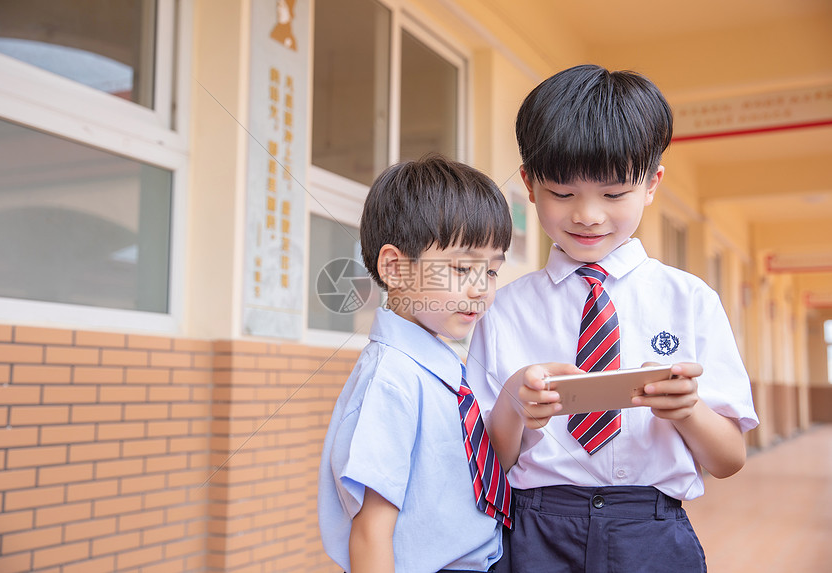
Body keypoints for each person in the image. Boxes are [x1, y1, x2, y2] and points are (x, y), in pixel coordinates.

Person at [465, 65, 759, 572]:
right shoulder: (502, 310)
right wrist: (514, 402)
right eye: (562, 193)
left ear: (651, 184)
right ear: (531, 186)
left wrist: (688, 411)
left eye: (614, 193)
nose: (588, 215)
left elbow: (728, 459)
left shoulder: (690, 300)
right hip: (536, 532)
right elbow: (489, 462)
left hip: (652, 531)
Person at [318, 155, 576, 572]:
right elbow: (370, 532)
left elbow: (484, 462)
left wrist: (514, 400)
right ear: (395, 267)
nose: (481, 290)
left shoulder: (440, 365)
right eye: (462, 268)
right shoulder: (393, 378)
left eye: (492, 272)